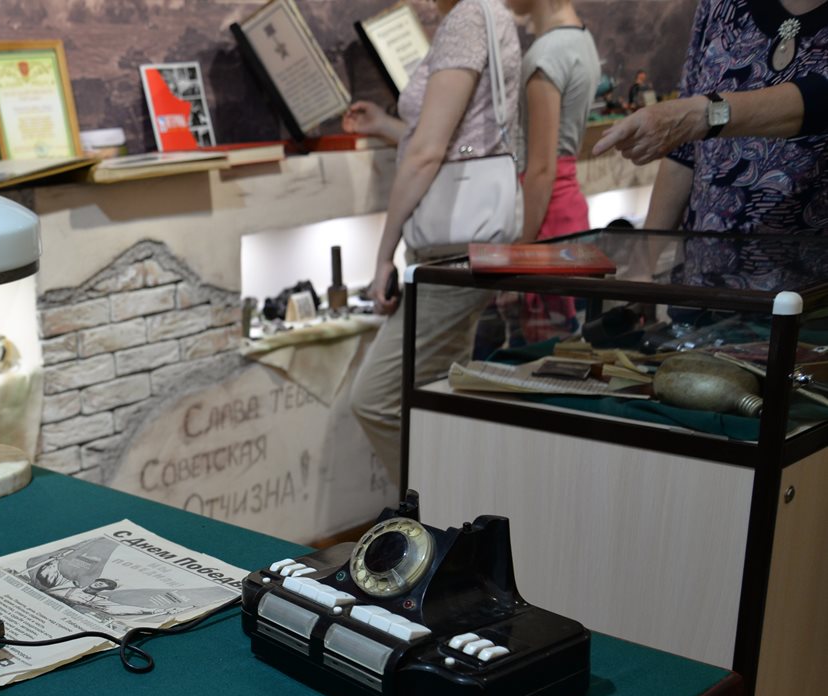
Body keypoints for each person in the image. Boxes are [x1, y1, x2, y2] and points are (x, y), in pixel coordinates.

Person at [343, 0, 522, 483]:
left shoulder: (467, 18)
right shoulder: (486, 15)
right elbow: (461, 138)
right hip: (463, 248)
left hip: (452, 256)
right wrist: (386, 126)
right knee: (438, 397)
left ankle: (438, 507)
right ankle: (455, 507)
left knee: (375, 399)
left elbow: (428, 152)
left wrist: (383, 254)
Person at [591, 0, 828, 233]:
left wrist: (699, 115)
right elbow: (683, 151)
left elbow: (815, 99)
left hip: (802, 254)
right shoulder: (723, 6)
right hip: (701, 250)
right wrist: (646, 252)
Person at [508, 0, 601, 341]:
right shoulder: (581, 39)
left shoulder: (546, 55)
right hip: (567, 212)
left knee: (547, 350)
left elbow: (542, 166)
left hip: (546, 217)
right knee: (568, 346)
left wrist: (520, 251)